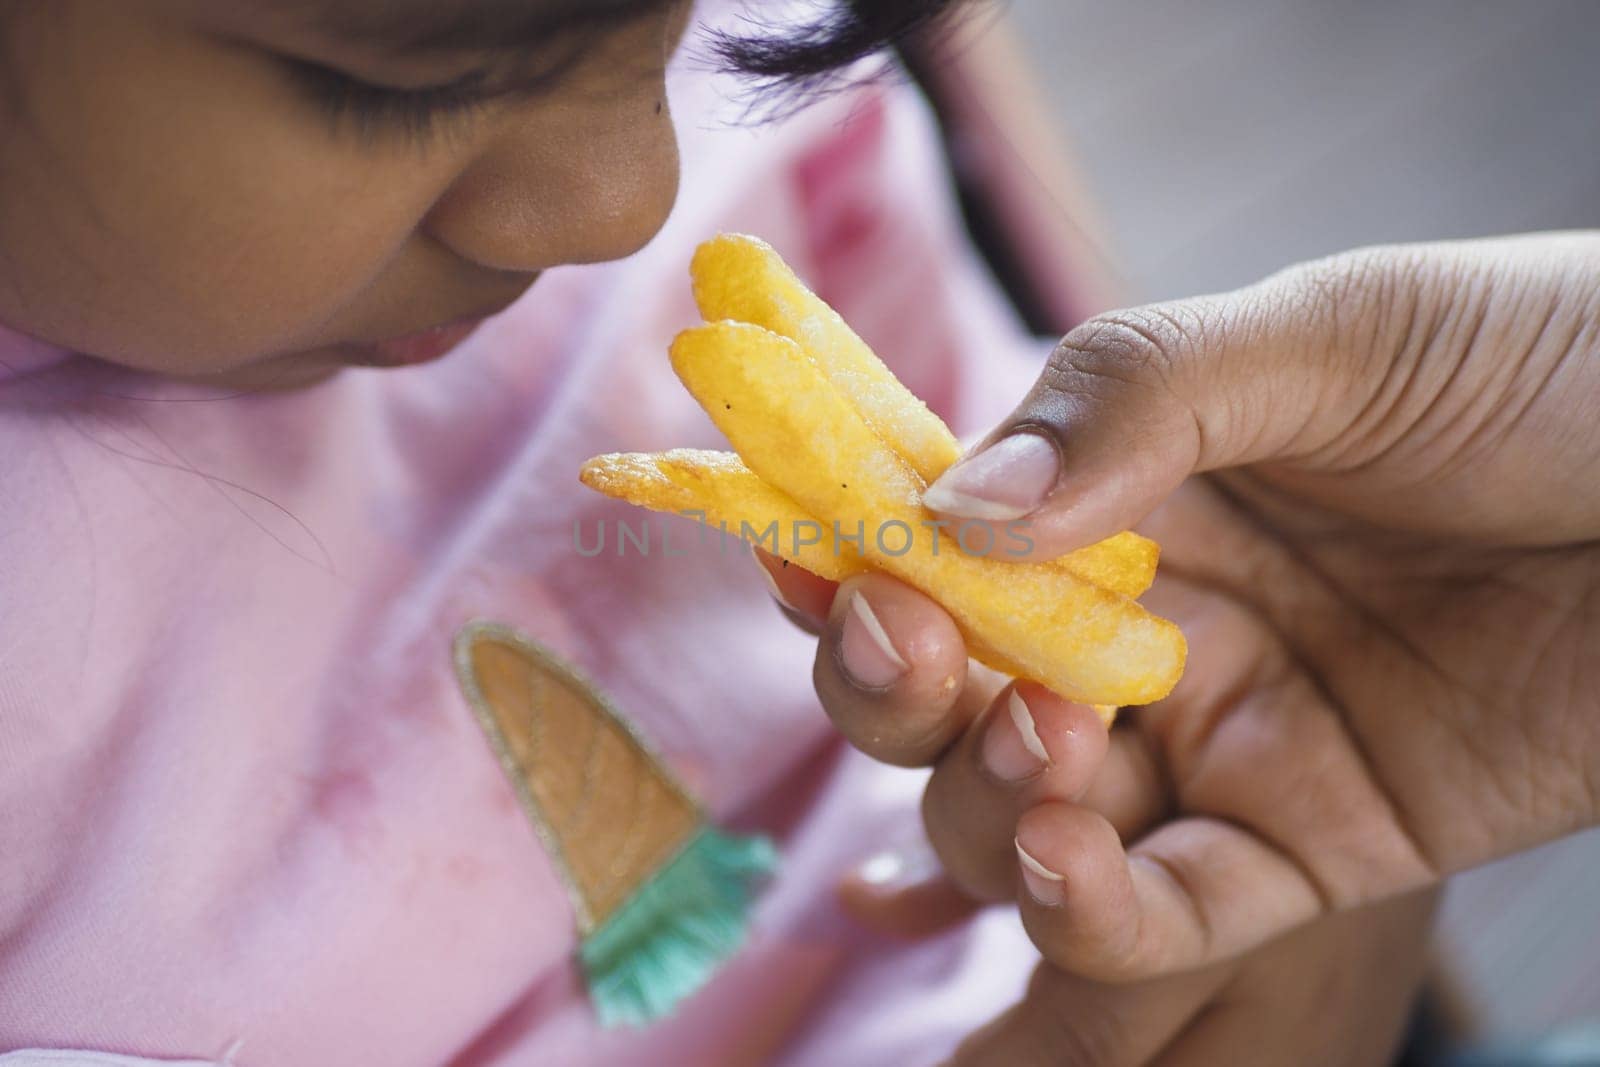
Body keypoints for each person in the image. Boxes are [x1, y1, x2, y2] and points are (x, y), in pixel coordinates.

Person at [0, 1, 1533, 1065]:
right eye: (393, 84)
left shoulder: (769, 106)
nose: (627, 194)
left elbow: (1102, 546)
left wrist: (1307, 846)